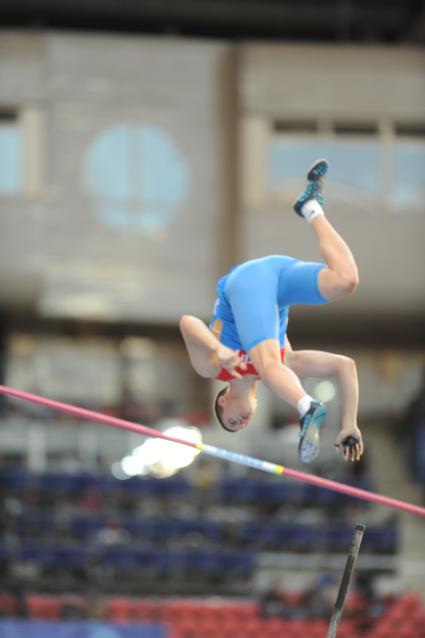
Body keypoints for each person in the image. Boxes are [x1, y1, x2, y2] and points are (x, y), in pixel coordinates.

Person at [180, 160, 363, 463]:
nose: (239, 425)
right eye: (240, 427)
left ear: (223, 400)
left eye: (230, 421)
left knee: (269, 365)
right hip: (276, 275)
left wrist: (217, 349)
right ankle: (312, 208)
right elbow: (346, 366)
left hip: (246, 283)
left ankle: (307, 407)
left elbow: (187, 323)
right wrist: (349, 424)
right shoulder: (282, 362)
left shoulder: (212, 367)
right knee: (345, 281)